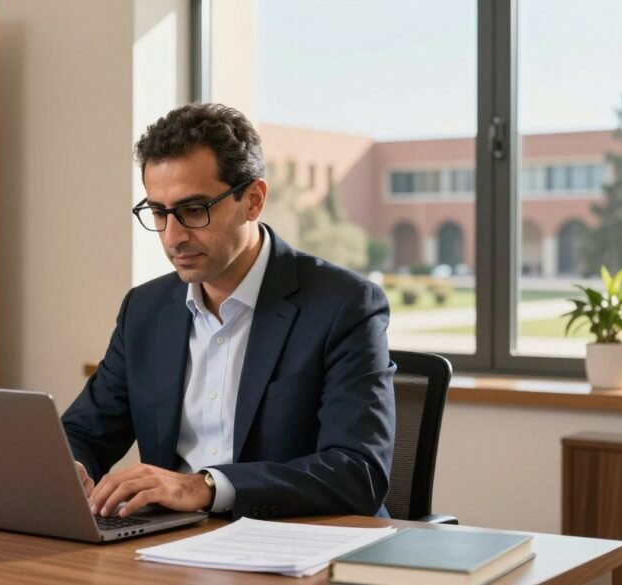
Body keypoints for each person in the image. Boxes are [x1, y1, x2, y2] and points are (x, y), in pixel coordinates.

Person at [61, 103, 395, 521]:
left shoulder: (343, 305)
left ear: (253, 200)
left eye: (193, 210)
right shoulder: (144, 310)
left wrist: (205, 486)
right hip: (171, 545)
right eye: (159, 213)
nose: (173, 237)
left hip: (301, 547)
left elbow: (356, 473)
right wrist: (70, 469)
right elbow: (82, 432)